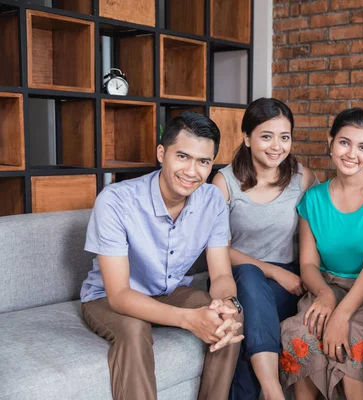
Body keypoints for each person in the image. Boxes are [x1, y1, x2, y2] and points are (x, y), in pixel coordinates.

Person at [80, 112, 244, 400]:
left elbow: (220, 274)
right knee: (133, 329)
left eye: (203, 161)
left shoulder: (213, 200)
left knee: (227, 318)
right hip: (108, 297)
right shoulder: (116, 200)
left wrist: (227, 303)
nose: (192, 171)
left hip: (168, 291)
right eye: (182, 156)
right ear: (161, 153)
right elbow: (119, 294)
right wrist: (188, 319)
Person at [279, 108, 363, 400]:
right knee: (302, 331)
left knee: (354, 337)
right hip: (328, 284)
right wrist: (325, 295)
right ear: (331, 142)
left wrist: (341, 315)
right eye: (344, 142)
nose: (352, 153)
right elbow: (309, 263)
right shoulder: (313, 198)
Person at [212, 97, 318, 400]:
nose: (277, 146)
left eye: (284, 137)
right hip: (234, 276)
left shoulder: (302, 178)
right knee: (249, 279)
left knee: (250, 322)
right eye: (266, 136)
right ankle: (273, 391)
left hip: (288, 283)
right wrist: (272, 271)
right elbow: (218, 248)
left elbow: (324, 225)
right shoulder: (225, 182)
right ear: (247, 138)